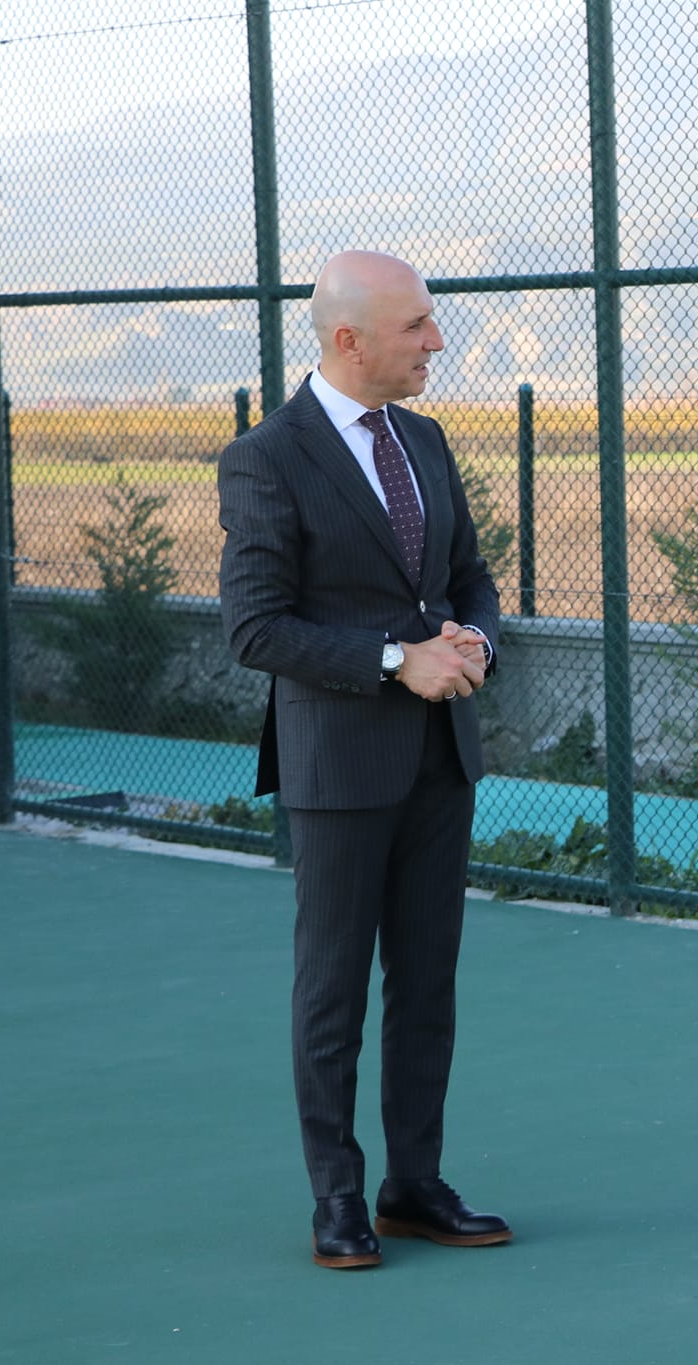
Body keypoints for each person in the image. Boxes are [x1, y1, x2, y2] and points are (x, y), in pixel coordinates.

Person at [219, 250, 510, 1270]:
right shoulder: (266, 458)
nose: (437, 342)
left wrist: (475, 639)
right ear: (349, 340)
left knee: (428, 984)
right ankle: (335, 1197)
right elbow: (254, 629)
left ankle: (413, 1185)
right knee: (333, 989)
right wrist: (399, 662)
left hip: (440, 760)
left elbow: (470, 579)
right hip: (339, 767)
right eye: (417, 326)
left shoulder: (425, 443)